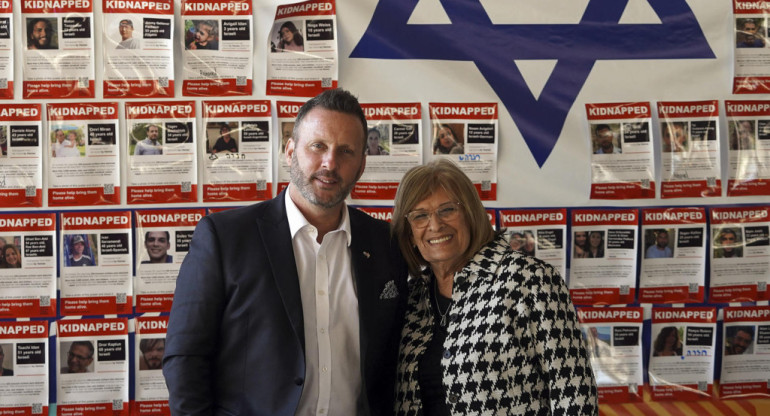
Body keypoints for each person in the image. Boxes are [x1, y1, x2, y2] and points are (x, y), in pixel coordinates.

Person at [164, 89, 408, 416]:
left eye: (346, 151)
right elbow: (185, 357)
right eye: (317, 146)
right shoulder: (225, 238)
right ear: (290, 149)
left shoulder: (386, 243)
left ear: (362, 165)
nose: (330, 163)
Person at [391, 159, 597, 415]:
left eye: (447, 210)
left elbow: (575, 395)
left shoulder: (529, 279)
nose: (435, 225)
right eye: (420, 216)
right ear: (409, 233)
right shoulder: (412, 298)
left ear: (470, 215)